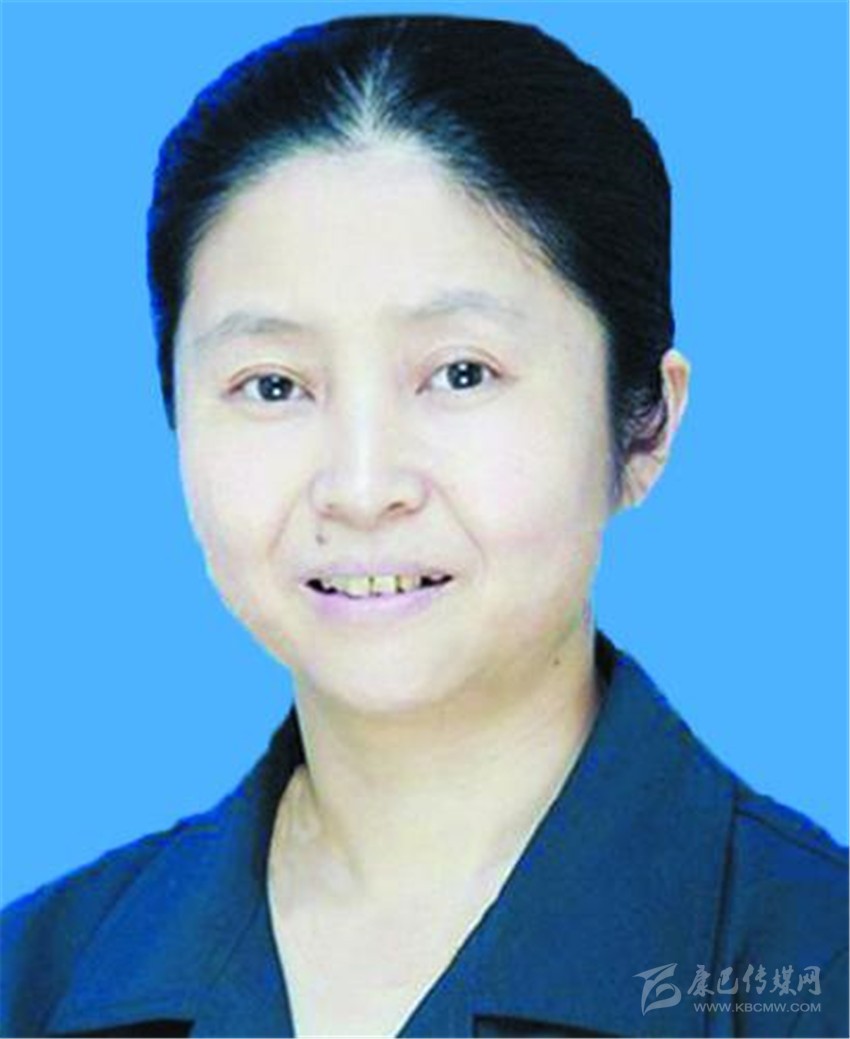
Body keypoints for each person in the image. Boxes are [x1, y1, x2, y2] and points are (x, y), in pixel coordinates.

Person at [1, 14, 846, 1039]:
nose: (361, 487)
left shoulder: (813, 969)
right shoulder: (34, 980)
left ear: (644, 423)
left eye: (461, 373)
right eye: (273, 384)